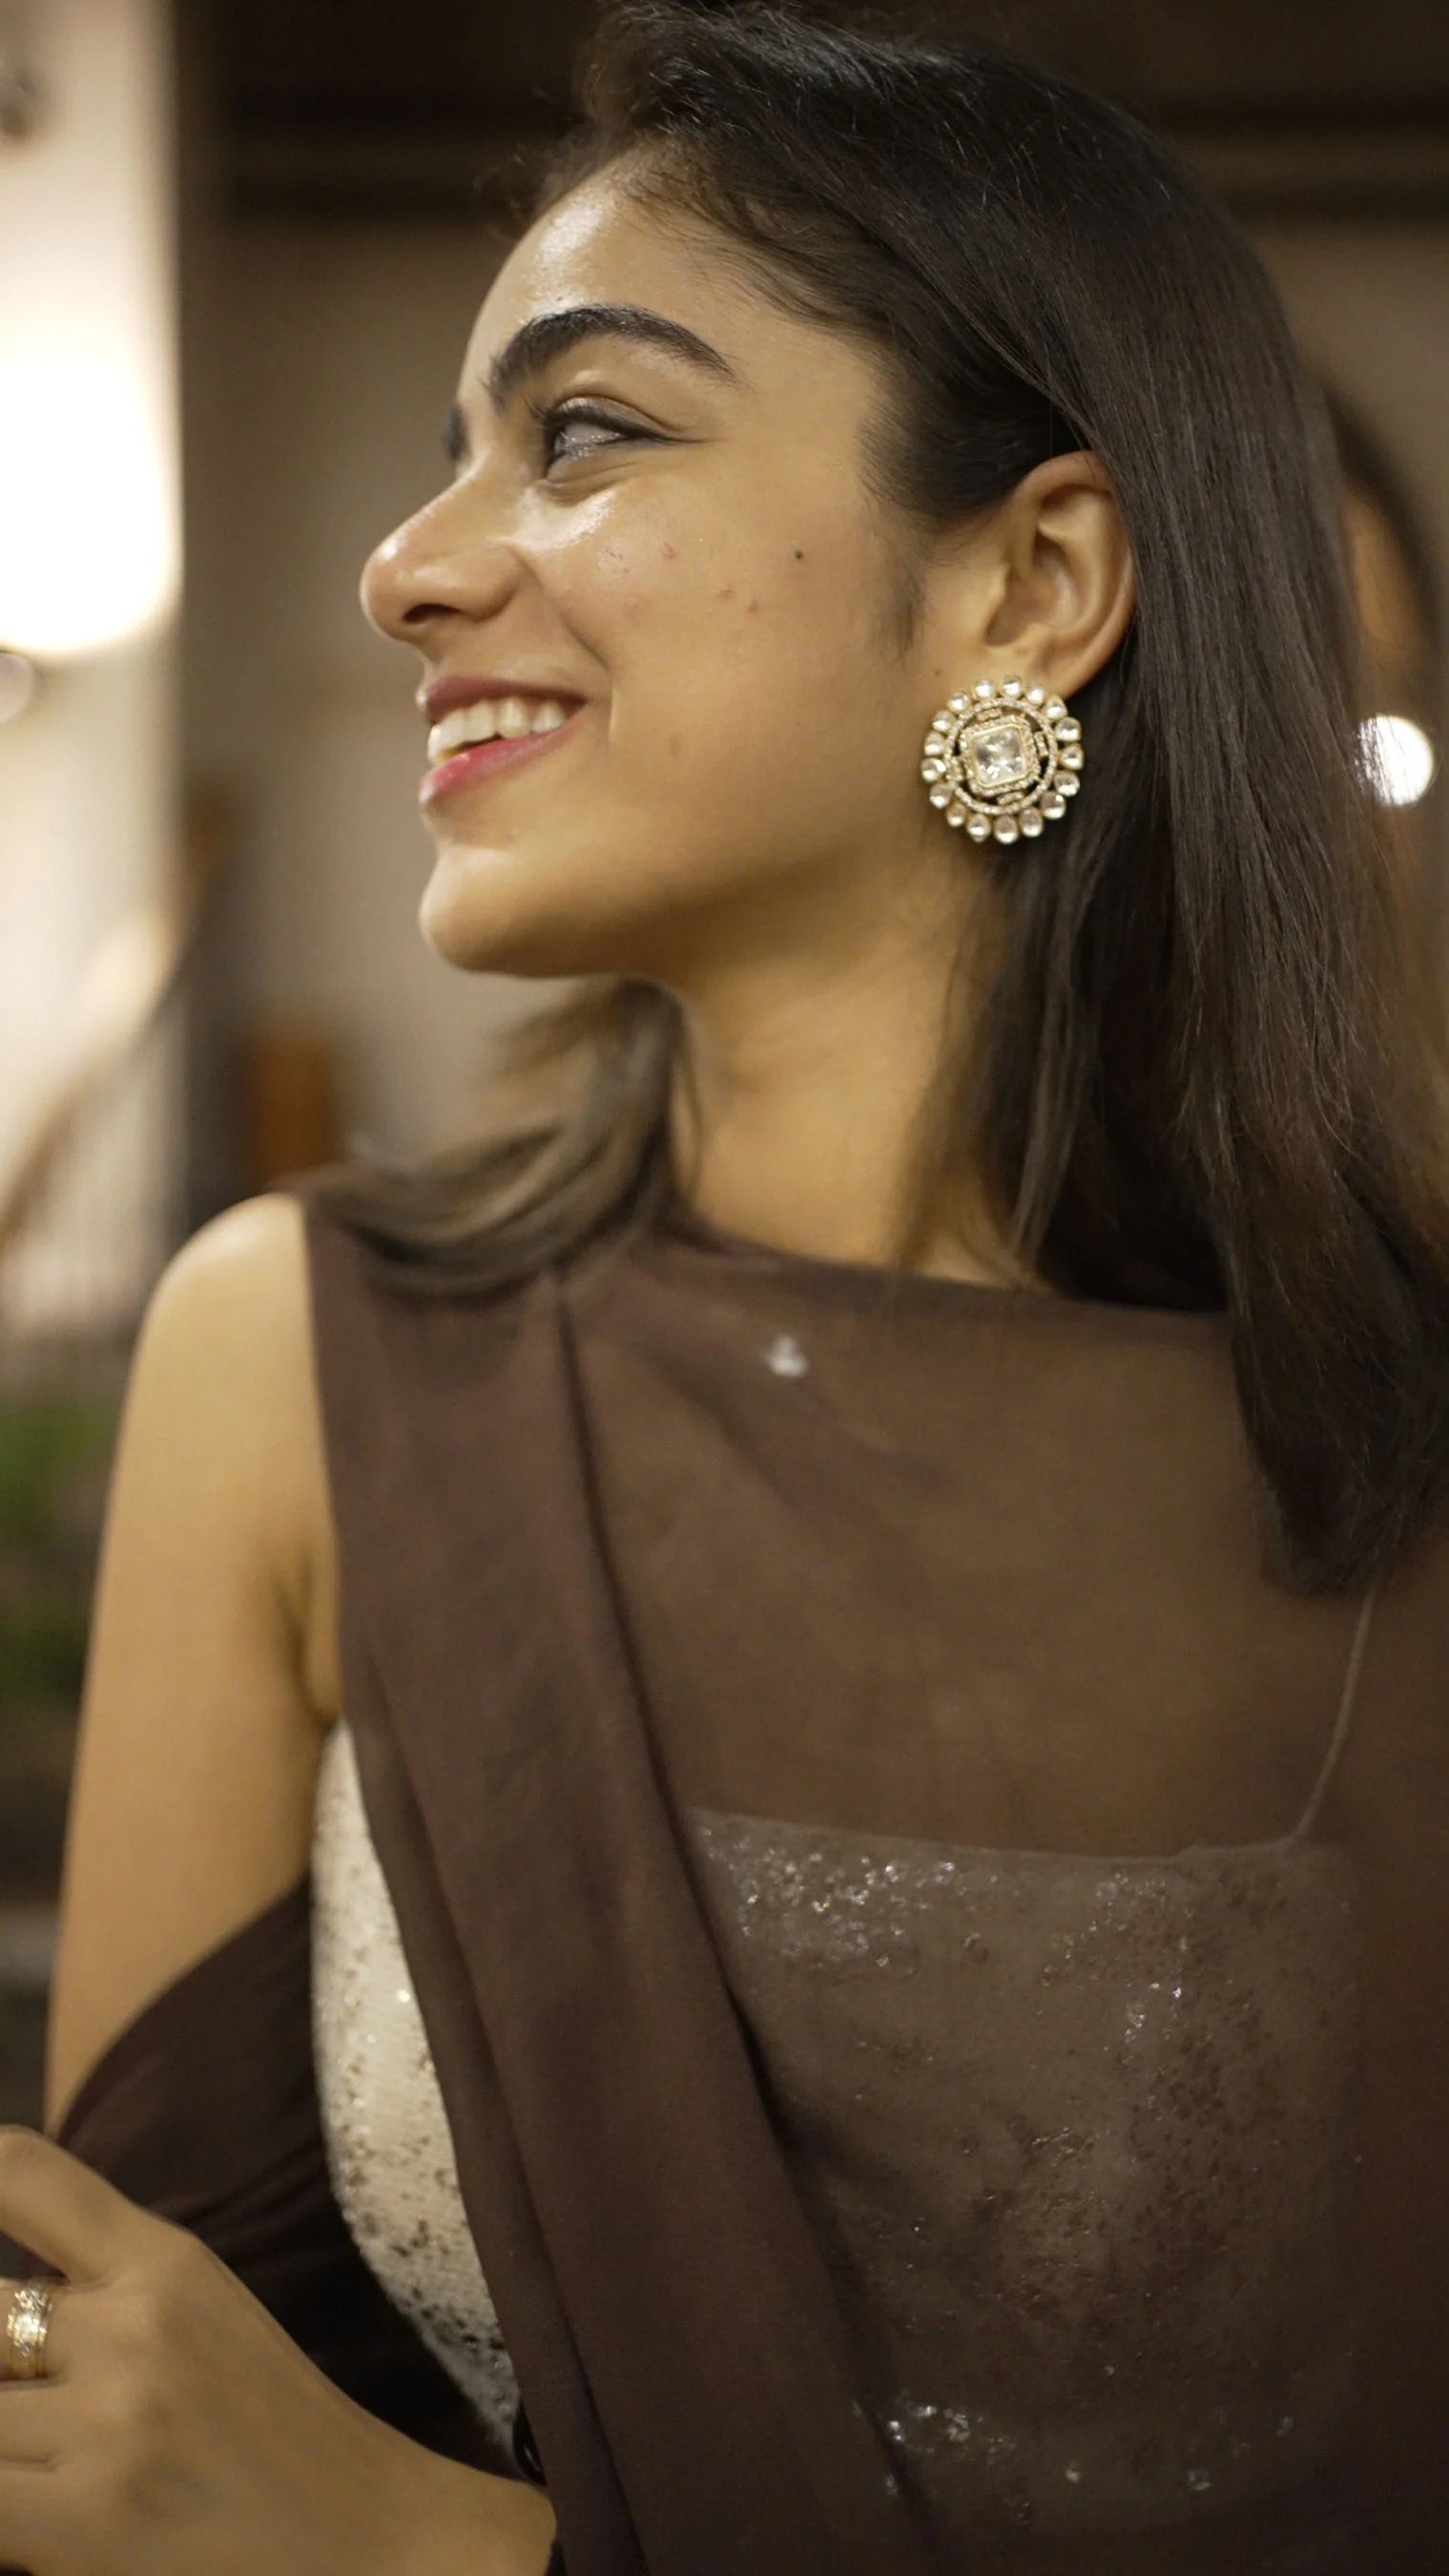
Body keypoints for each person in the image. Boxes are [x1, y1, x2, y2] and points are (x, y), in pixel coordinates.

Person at [3, 4, 1449, 2571]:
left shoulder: (1387, 1458)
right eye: (460, 444)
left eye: (585, 432)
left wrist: (439, 2552)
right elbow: (123, 2415)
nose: (411, 560)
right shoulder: (311, 1363)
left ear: (1034, 581)